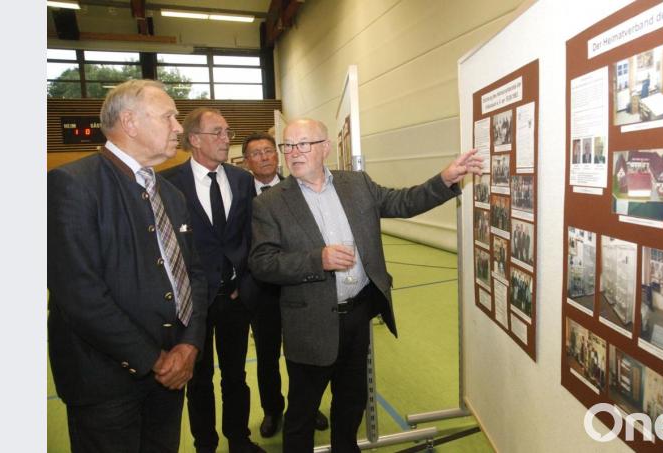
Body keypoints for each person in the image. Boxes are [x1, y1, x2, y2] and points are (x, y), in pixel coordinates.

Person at [248, 118, 483, 452]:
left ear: (325, 148)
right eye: (288, 146)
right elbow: (262, 262)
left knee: (351, 400)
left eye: (303, 144)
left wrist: (445, 179)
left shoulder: (356, 184)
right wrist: (319, 259)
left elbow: (403, 202)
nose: (293, 153)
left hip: (358, 315)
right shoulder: (270, 202)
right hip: (310, 323)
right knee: (302, 412)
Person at [47, 79, 209, 453]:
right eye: (169, 116)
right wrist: (154, 360)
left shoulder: (170, 193)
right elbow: (79, 294)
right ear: (130, 122)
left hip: (170, 374)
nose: (179, 127)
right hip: (105, 381)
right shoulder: (72, 185)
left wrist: (188, 345)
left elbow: (193, 275)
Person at [162, 109, 265, 453]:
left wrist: (246, 282)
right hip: (192, 305)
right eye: (218, 132)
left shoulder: (241, 179)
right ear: (194, 139)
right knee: (198, 379)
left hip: (235, 298)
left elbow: (251, 235)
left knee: (235, 376)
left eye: (227, 131)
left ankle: (239, 439)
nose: (227, 139)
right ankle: (205, 443)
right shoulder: (167, 183)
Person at [242, 131, 330, 438]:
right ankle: (272, 410)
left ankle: (307, 407)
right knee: (267, 356)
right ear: (246, 161)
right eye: (256, 153)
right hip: (262, 292)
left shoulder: (301, 187)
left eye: (268, 151)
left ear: (277, 155)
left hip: (303, 289)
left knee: (305, 354)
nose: (264, 157)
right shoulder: (242, 196)